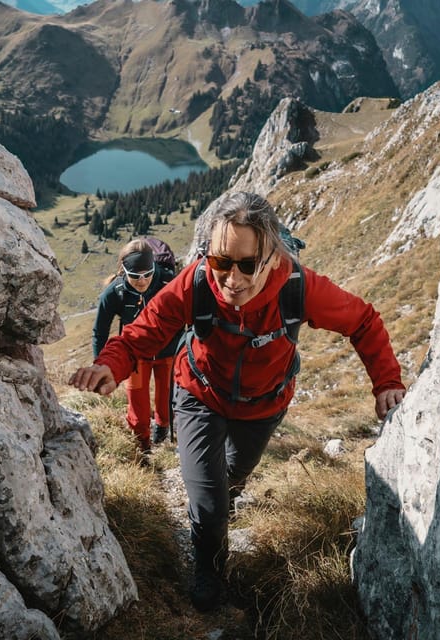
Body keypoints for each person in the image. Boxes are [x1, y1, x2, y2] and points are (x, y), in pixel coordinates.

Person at [70, 192, 406, 612]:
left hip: (262, 408)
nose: (231, 277)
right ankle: (210, 569)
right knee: (209, 501)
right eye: (221, 261)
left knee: (231, 481)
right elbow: (146, 329)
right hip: (198, 396)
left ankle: (219, 515)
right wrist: (111, 365)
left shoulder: (298, 287)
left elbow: (362, 321)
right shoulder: (195, 282)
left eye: (247, 265)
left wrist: (387, 382)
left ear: (270, 257)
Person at [92, 239, 180, 453]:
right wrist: (101, 367)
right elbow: (100, 331)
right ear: (124, 271)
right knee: (137, 401)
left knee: (166, 396)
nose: (142, 281)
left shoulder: (169, 282)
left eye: (148, 274)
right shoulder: (114, 292)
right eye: (135, 276)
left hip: (169, 350)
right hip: (136, 355)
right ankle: (142, 443)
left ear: (154, 268)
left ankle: (162, 426)